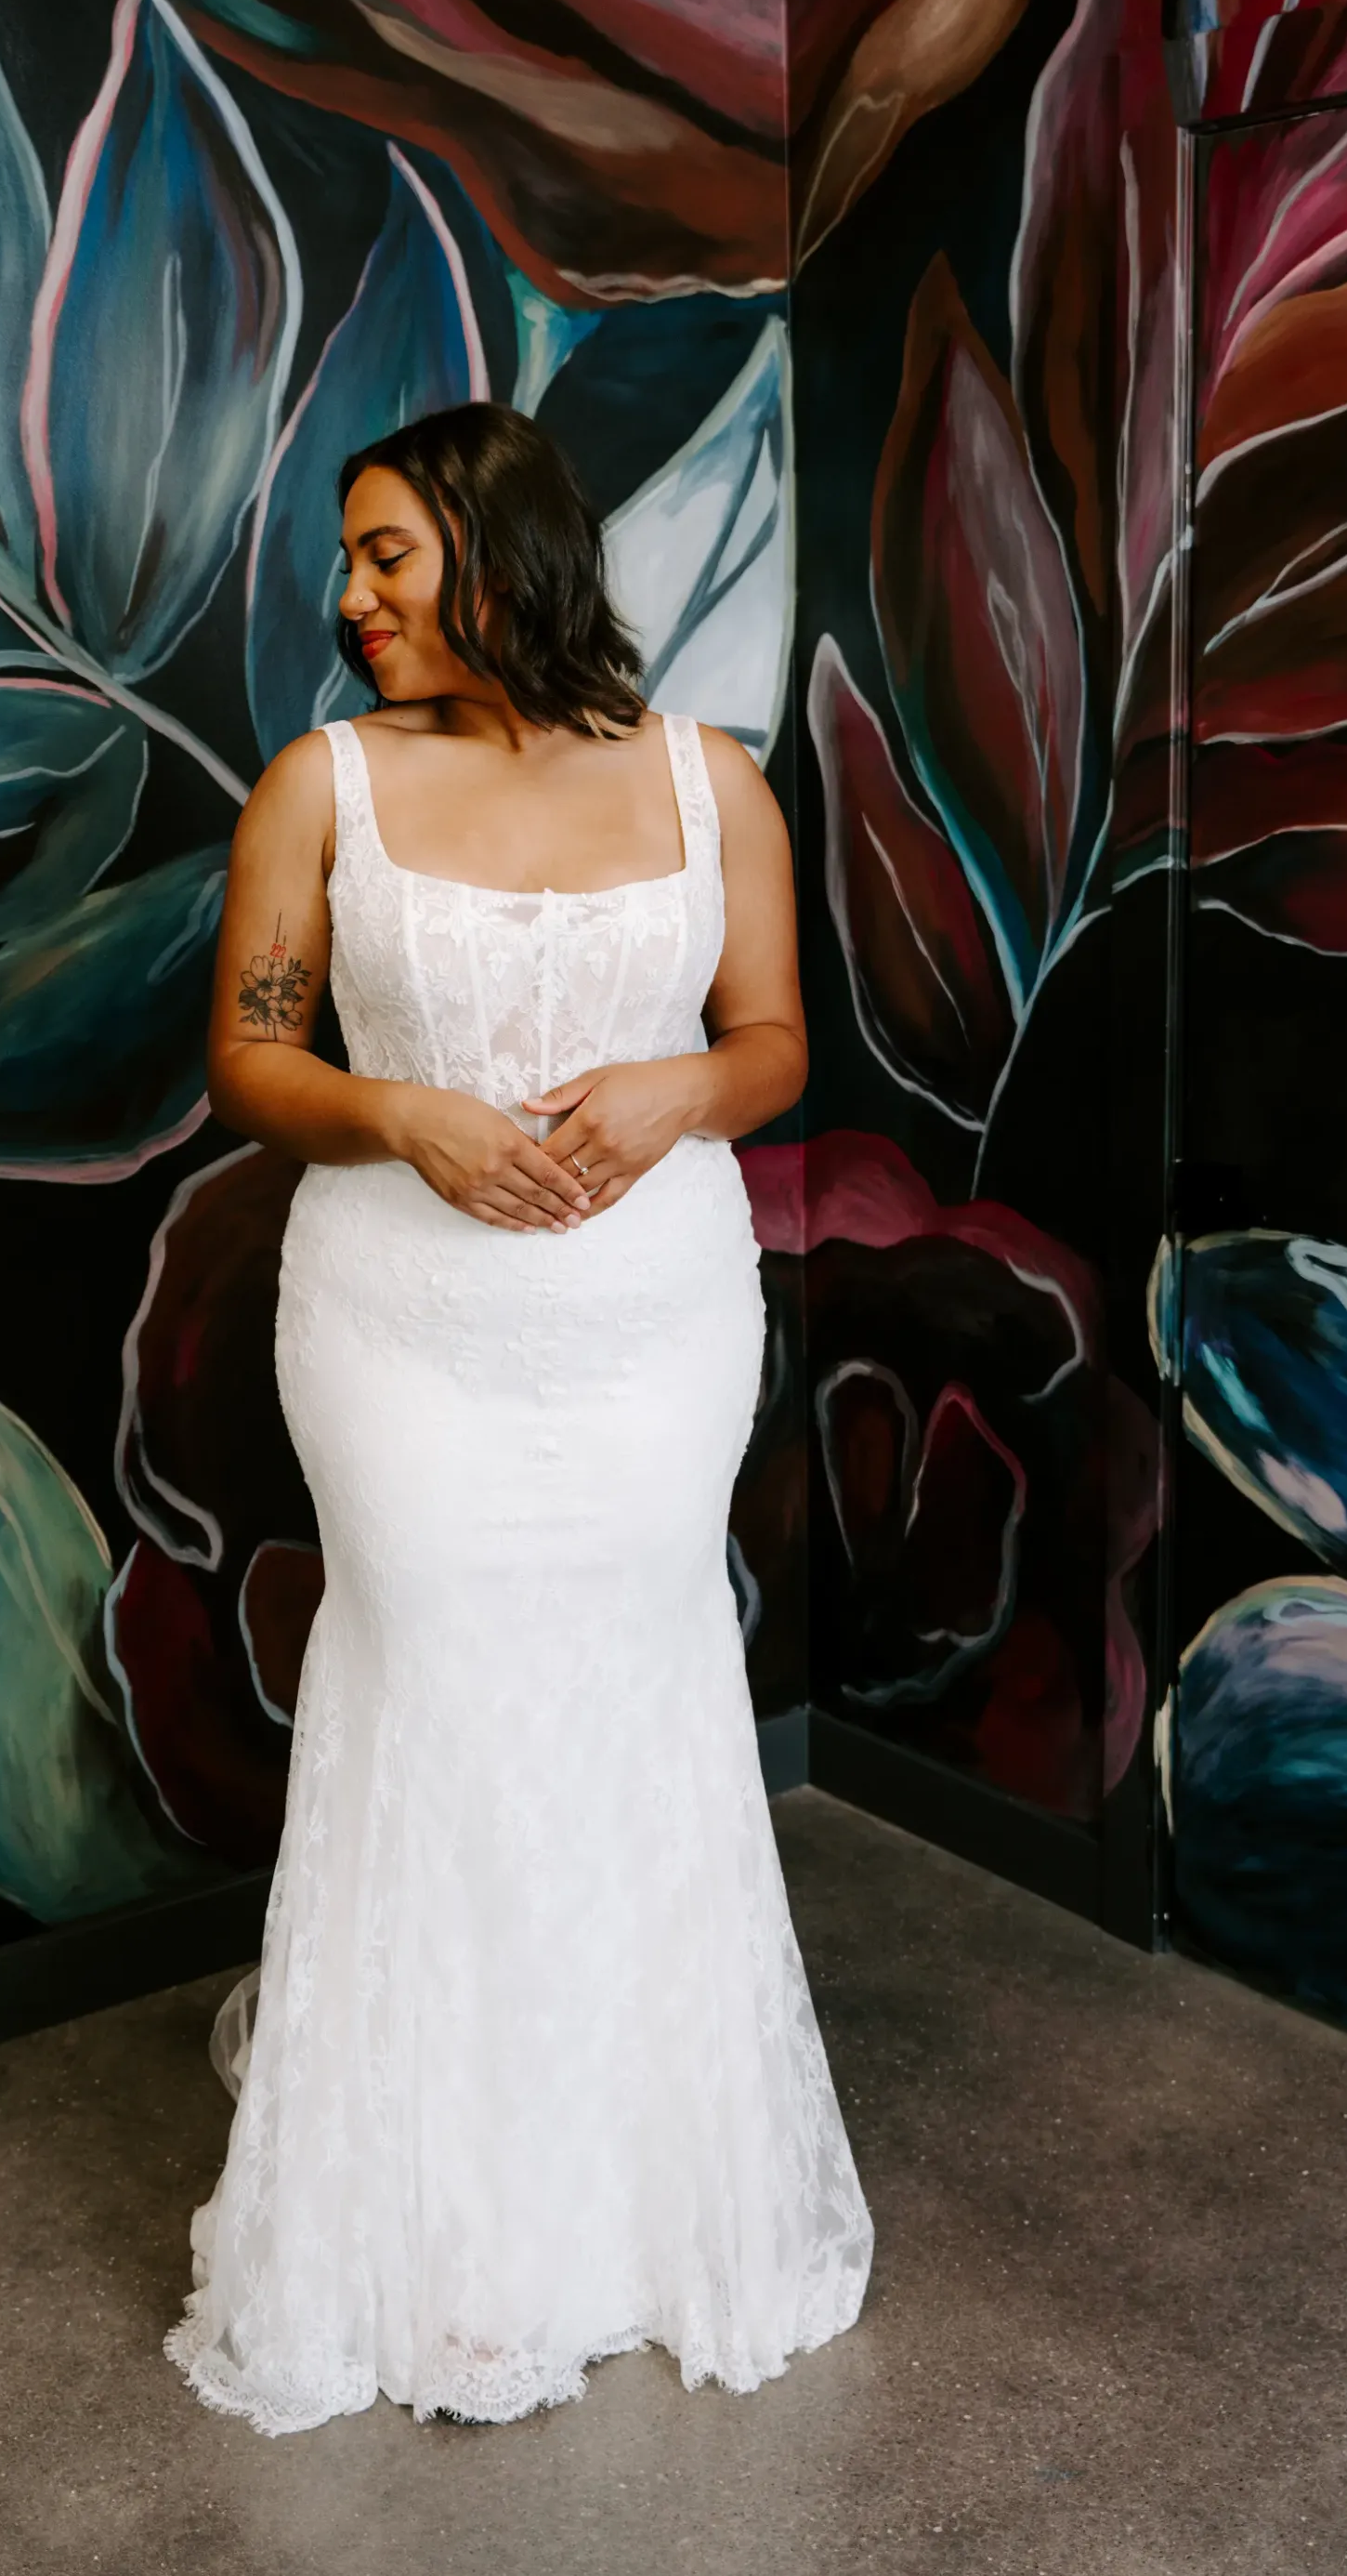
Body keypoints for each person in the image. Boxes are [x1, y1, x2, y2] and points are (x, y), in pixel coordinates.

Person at [164, 402, 872, 2433]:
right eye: (350, 560)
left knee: (637, 1689)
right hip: (406, 1328)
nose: (349, 596)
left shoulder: (710, 779)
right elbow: (250, 1056)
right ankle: (454, 2242)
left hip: (650, 1327)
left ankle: (652, 2203)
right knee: (450, 1689)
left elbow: (769, 1044)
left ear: (503, 552)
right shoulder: (322, 788)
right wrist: (395, 1111)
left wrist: (674, 1091)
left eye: (387, 554)